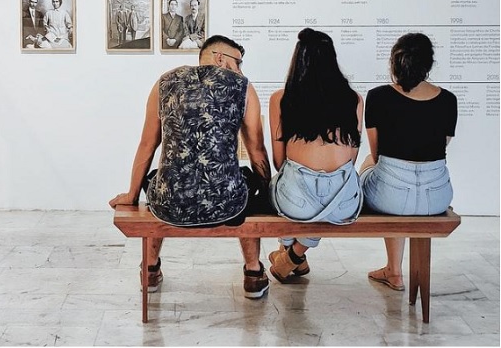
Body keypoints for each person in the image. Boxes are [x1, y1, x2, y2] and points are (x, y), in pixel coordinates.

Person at [109, 35, 273, 298]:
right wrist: (266, 194)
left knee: (159, 179)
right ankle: (253, 273)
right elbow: (257, 151)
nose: (240, 70)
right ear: (219, 57)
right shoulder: (243, 87)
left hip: (172, 203)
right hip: (225, 203)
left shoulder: (164, 83)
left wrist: (131, 195)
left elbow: (147, 145)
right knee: (244, 184)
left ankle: (150, 270)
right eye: (238, 62)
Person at [359, 33, 457, 291]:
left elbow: (377, 154)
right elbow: (439, 147)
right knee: (400, 177)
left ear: (394, 62)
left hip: (390, 196)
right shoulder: (449, 100)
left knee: (371, 164)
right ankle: (393, 270)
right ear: (429, 64)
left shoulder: (378, 96)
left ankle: (394, 270)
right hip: (436, 196)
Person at [267, 28, 363, 283]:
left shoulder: (281, 99)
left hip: (296, 200)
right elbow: (351, 160)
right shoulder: (354, 100)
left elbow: (279, 162)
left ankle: (290, 254)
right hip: (343, 205)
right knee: (321, 202)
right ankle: (293, 256)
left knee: (279, 184)